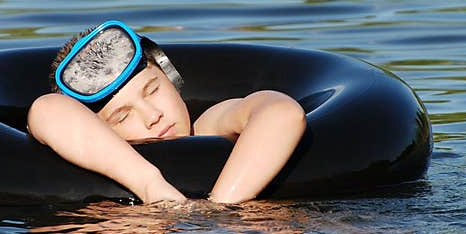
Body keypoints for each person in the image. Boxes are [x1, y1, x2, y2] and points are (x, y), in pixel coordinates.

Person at [27, 20, 306, 205]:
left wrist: (219, 209)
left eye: (152, 91)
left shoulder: (209, 125)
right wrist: (151, 186)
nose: (153, 116)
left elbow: (281, 113)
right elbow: (46, 109)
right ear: (96, 131)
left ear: (170, 78)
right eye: (123, 116)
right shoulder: (90, 148)